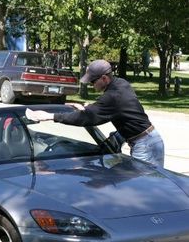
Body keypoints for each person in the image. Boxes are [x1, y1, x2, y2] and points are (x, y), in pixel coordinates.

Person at [26, 59, 165, 167]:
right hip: (150, 139)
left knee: (142, 186)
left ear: (104, 78)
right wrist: (90, 108)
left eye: (93, 81)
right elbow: (111, 108)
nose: (92, 85)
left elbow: (86, 119)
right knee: (152, 185)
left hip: (145, 145)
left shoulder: (112, 96)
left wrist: (51, 116)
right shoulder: (121, 83)